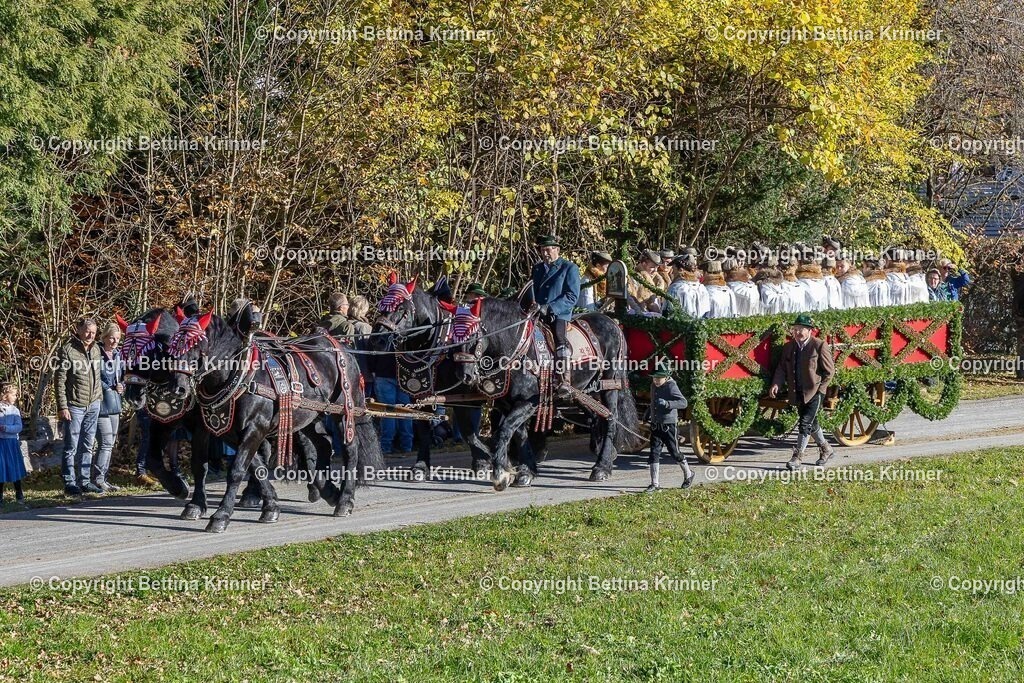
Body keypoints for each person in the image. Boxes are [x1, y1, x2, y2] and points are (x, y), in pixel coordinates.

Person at [769, 314, 836, 470]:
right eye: (795, 329)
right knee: (812, 424)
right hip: (797, 391)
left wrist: (821, 390)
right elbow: (781, 368)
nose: (797, 332)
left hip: (815, 392)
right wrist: (776, 384)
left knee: (805, 423)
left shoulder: (819, 345)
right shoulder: (789, 347)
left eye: (801, 329)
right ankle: (826, 448)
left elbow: (829, 371)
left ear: (809, 331)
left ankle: (797, 457)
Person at [54, 317, 104, 496]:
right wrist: (62, 406)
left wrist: (99, 397)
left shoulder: (97, 348)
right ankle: (69, 482)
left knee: (88, 444)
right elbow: (59, 381)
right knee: (71, 446)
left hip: (94, 404)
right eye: (87, 331)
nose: (90, 335)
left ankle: (85, 481)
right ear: (79, 330)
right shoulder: (67, 350)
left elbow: (99, 375)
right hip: (74, 405)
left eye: (93, 332)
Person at [531, 234, 581, 393]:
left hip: (559, 313)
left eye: (548, 250)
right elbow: (532, 290)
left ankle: (564, 378)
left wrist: (551, 307)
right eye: (542, 250)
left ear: (557, 250)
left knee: (560, 339)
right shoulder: (537, 268)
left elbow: (572, 295)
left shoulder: (569, 268)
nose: (545, 253)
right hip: (537, 311)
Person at [644, 366, 693, 492]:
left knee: (674, 453)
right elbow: (653, 402)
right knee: (654, 453)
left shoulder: (671, 387)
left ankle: (688, 474)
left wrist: (668, 404)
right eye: (655, 378)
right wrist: (648, 412)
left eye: (659, 378)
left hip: (669, 426)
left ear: (666, 377)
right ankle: (655, 484)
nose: (656, 381)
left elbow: (683, 403)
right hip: (656, 425)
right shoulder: (653, 386)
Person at [95, 322, 124, 492]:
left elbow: (123, 375)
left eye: (118, 338)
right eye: (112, 337)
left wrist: (122, 386)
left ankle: (104, 478)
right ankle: (98, 479)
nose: (114, 341)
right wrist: (110, 386)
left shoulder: (119, 355)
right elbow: (95, 378)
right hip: (101, 402)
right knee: (105, 442)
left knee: (111, 442)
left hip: (115, 402)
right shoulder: (96, 353)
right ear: (104, 337)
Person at [0, 382, 26, 505]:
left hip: (11, 443)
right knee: (1, 468)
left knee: (14, 467)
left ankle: (19, 492)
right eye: (13, 395)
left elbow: (18, 427)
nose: (15, 397)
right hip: (1, 443)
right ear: (5, 395)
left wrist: (6, 428)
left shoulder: (14, 410)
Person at [666, 253, 710, 318]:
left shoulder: (675, 288)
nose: (672, 272)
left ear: (680, 270)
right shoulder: (702, 288)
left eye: (674, 269)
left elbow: (668, 312)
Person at [627, 249, 666, 314]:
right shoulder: (635, 278)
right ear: (644, 264)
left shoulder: (657, 279)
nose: (655, 271)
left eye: (657, 267)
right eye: (652, 267)